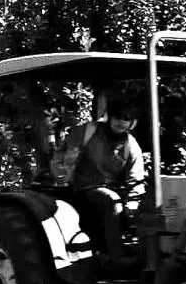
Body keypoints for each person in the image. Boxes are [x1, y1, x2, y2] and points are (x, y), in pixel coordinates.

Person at [54, 97, 147, 261]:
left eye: (127, 118)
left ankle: (140, 252)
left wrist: (132, 202)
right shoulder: (87, 132)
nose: (121, 122)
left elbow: (136, 179)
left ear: (132, 122)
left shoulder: (131, 145)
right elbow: (63, 160)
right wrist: (62, 178)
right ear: (109, 116)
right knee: (111, 200)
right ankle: (116, 259)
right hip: (84, 188)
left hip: (117, 191)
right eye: (118, 116)